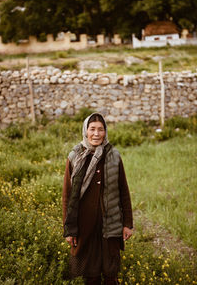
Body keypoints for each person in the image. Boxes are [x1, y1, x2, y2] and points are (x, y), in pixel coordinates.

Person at [62, 113, 133, 285]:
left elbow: (124, 190)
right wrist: (69, 229)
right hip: (85, 226)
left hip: (111, 224)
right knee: (90, 275)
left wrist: (127, 223)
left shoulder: (113, 155)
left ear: (105, 132)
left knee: (111, 273)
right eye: (92, 129)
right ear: (85, 131)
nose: (96, 134)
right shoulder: (75, 156)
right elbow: (67, 195)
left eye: (100, 129)